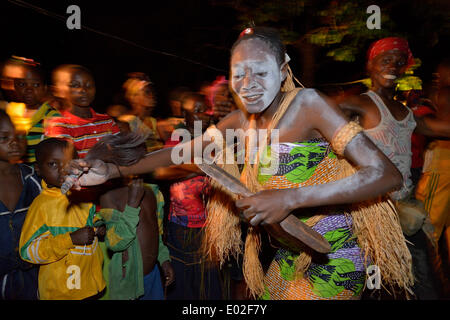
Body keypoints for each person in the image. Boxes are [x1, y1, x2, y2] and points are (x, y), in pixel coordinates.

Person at [65, 27, 412, 300]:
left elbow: (385, 175)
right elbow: (181, 153)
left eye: (260, 72)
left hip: (335, 255)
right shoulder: (239, 121)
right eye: (238, 75)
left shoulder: (307, 104)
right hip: (290, 252)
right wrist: (114, 170)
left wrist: (290, 198)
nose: (248, 86)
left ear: (282, 69)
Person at [338, 37, 443, 299]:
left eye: (399, 62)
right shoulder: (359, 103)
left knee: (424, 285)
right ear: (370, 65)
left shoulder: (408, 114)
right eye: (386, 60)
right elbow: (313, 114)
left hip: (403, 214)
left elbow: (442, 127)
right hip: (368, 213)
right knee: (369, 287)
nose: (393, 66)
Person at [86, 133, 174, 300]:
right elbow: (115, 243)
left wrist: (164, 259)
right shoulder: (109, 196)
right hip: (128, 281)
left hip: (153, 275)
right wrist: (132, 205)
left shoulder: (152, 191)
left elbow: (156, 232)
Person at [154, 92, 224, 300]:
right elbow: (163, 171)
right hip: (183, 227)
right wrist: (201, 168)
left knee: (208, 286)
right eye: (196, 111)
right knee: (184, 288)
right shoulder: (178, 139)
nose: (202, 115)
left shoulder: (214, 138)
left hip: (211, 225)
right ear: (185, 115)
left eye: (205, 110)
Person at [19, 138, 105, 300]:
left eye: (69, 163)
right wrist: (70, 239)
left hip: (91, 286)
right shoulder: (42, 205)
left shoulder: (82, 194)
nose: (63, 170)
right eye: (53, 164)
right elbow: (28, 251)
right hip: (63, 292)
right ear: (38, 169)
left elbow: (93, 218)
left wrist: (98, 226)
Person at [415, 59, 450, 297]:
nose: (438, 77)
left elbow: (441, 127)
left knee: (424, 227)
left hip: (443, 163)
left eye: (441, 73)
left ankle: (428, 283)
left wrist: (413, 121)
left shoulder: (446, 93)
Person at [0, 109, 40, 299]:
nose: (14, 142)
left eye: (19, 136)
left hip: (32, 279)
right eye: (4, 137)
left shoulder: (33, 179)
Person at [45, 64, 119, 158]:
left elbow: (120, 153)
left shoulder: (107, 120)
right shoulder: (59, 124)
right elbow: (66, 162)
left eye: (89, 85)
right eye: (75, 85)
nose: (83, 90)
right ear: (57, 91)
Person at [119, 72, 164, 152]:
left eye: (152, 91)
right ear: (134, 97)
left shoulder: (153, 121)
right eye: (147, 92)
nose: (152, 95)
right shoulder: (127, 122)